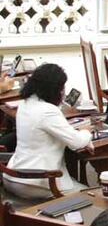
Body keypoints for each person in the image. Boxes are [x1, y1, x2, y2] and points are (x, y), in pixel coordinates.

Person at [2, 63, 92, 200]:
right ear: (54, 89)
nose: (64, 92)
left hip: (13, 175)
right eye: (62, 88)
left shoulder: (26, 104)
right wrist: (86, 132)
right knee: (91, 197)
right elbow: (77, 142)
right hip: (36, 182)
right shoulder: (48, 111)